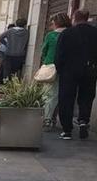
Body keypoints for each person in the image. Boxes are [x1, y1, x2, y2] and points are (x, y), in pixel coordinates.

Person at [55, 9, 97, 140]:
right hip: (90, 70)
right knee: (86, 97)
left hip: (69, 71)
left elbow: (59, 54)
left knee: (66, 98)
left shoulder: (67, 33)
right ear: (87, 18)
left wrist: (60, 69)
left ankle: (67, 130)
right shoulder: (95, 33)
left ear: (74, 18)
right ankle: (83, 121)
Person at [40, 12, 71, 131]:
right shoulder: (71, 34)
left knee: (48, 94)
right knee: (59, 94)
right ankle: (53, 117)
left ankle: (47, 119)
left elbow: (44, 51)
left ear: (56, 23)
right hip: (67, 69)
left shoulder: (51, 35)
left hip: (50, 67)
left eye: (52, 23)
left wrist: (45, 62)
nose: (51, 25)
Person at [0, 19, 28, 84]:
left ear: (16, 23)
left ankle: (6, 83)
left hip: (9, 53)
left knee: (6, 70)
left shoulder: (10, 31)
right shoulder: (26, 32)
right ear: (25, 25)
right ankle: (12, 84)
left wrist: (4, 44)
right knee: (14, 71)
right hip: (20, 55)